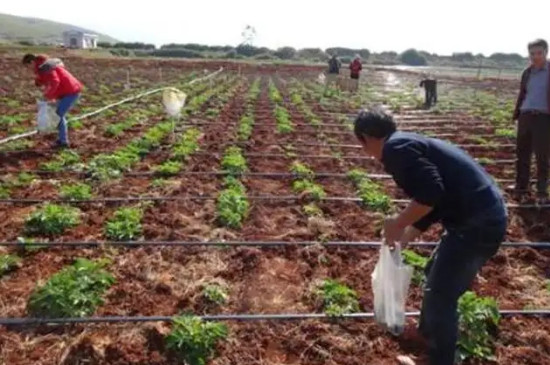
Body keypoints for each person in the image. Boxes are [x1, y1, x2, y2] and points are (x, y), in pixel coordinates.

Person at [354, 109, 507, 365]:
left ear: (368, 137)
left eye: (361, 143)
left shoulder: (394, 149)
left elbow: (431, 193)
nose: (364, 151)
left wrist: (397, 223)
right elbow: (438, 198)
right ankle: (427, 334)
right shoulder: (405, 142)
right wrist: (407, 234)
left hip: (477, 224)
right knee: (433, 274)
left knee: (441, 294)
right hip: (480, 216)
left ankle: (439, 360)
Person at [512, 39, 550, 202]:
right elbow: (523, 94)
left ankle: (542, 191)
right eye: (532, 53)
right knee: (522, 154)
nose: (535, 57)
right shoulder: (527, 72)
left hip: (544, 117)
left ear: (546, 53)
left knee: (542, 156)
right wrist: (517, 113)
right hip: (525, 116)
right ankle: (521, 187)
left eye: (539, 53)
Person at [22, 54, 83, 148]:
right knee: (57, 114)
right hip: (66, 91)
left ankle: (63, 142)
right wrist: (38, 81)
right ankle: (61, 139)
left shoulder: (46, 67)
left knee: (58, 115)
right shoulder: (43, 66)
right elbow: (46, 78)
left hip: (71, 91)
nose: (28, 69)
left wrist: (48, 96)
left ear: (31, 62)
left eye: (27, 66)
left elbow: (55, 81)